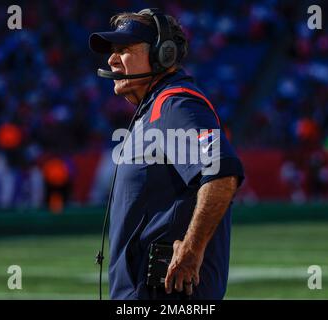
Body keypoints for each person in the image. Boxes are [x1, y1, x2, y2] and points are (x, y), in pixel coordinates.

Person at [90, 8, 244, 300]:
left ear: (165, 54)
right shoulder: (153, 109)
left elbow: (222, 174)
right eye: (112, 51)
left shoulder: (174, 104)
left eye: (123, 50)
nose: (111, 59)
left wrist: (191, 248)